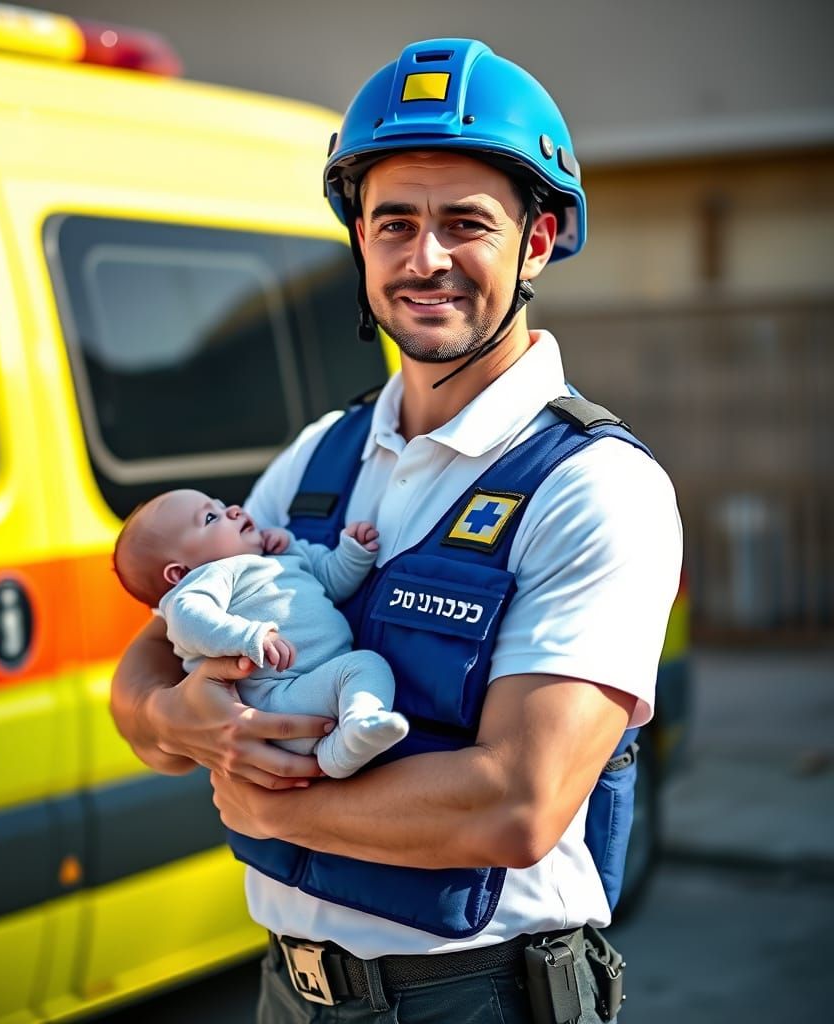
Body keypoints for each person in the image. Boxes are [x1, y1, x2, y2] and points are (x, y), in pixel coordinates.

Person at [111, 37, 682, 1024]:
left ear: (537, 240)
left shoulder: (595, 489)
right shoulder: (319, 457)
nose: (425, 259)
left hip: (478, 998)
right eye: (394, 224)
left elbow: (515, 800)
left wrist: (261, 799)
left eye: (466, 224)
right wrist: (181, 725)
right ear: (360, 241)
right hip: (288, 990)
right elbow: (139, 678)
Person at [112, 489, 407, 779]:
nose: (234, 510)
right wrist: (249, 635)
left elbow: (331, 581)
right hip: (272, 703)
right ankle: (351, 732)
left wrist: (353, 553)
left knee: (364, 668)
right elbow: (188, 622)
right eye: (211, 518)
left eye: (222, 503)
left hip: (314, 689)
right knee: (369, 665)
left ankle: (348, 740)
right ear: (179, 573)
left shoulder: (274, 555)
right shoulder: (204, 580)